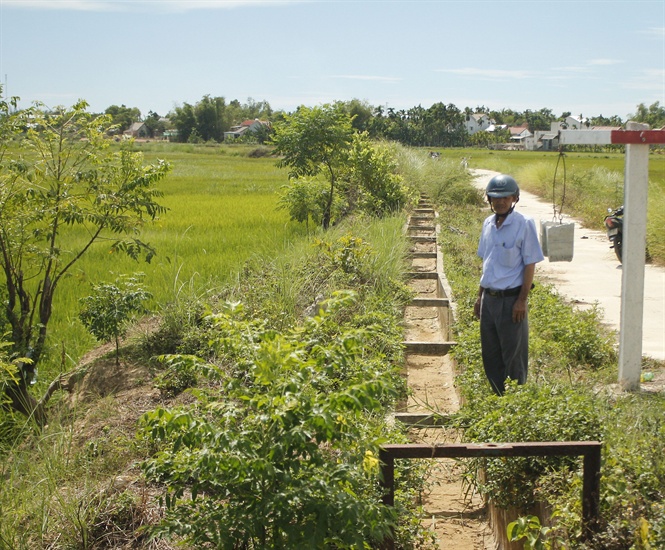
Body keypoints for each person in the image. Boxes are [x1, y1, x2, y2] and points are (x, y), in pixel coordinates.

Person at [473, 174, 544, 395]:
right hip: (489, 301)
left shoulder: (523, 224)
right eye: (495, 198)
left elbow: (530, 265)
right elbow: (488, 264)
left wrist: (521, 301)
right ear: (489, 200)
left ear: (514, 198)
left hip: (511, 301)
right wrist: (479, 297)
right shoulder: (488, 224)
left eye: (505, 197)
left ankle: (515, 400)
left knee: (513, 356)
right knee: (491, 354)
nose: (500, 201)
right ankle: (497, 396)